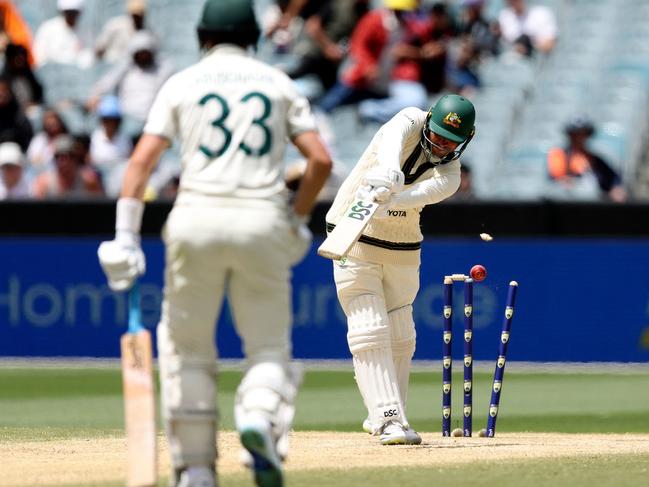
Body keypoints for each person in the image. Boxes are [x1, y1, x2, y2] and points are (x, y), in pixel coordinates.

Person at [96, 1, 332, 486]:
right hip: (261, 222)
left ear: (203, 36)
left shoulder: (181, 83)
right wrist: (299, 219)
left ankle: (198, 470)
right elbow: (321, 162)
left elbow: (139, 163)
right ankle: (260, 416)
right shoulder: (278, 84)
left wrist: (125, 235)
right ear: (254, 38)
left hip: (194, 220)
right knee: (269, 348)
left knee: (186, 352)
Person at [325, 94, 475, 445]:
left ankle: (388, 414)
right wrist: (388, 171)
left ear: (466, 140)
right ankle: (388, 419)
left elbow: (415, 197)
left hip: (404, 247)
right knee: (369, 328)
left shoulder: (449, 177)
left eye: (450, 141)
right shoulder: (408, 120)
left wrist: (391, 198)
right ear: (428, 123)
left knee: (401, 334)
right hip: (354, 235)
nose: (440, 145)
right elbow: (390, 141)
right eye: (437, 135)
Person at [89, 31, 174, 130]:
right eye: (140, 53)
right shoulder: (125, 68)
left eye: (145, 53)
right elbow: (104, 84)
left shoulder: (163, 70)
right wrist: (95, 96)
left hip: (153, 120)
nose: (143, 56)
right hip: (127, 119)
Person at [547, 116, 627, 202]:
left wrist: (616, 189)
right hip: (566, 203)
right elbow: (555, 180)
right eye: (576, 134)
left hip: (591, 205)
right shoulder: (559, 155)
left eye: (583, 134)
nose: (580, 138)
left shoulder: (595, 159)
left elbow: (613, 180)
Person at [32, 134, 103, 198]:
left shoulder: (89, 181)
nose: (63, 161)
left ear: (75, 158)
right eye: (58, 157)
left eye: (67, 156)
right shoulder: (44, 183)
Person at [33, 0, 93, 67]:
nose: (71, 16)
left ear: (79, 13)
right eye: (68, 12)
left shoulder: (85, 31)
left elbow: (87, 58)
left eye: (74, 12)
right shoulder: (48, 29)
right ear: (62, 12)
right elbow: (40, 57)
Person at [0, 77, 33, 151]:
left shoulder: (19, 114)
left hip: (17, 152)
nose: (1, 94)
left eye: (4, 90)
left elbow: (27, 139)